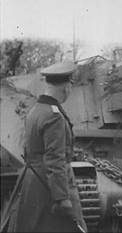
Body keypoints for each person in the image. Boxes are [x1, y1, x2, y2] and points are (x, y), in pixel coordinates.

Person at [7, 62, 87, 232]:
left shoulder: (35, 110)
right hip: (50, 186)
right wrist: (62, 198)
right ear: (66, 87)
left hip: (33, 180)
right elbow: (55, 159)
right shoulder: (54, 116)